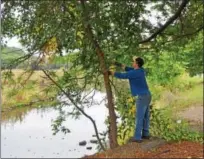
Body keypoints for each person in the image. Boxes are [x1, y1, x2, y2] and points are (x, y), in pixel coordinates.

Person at [109, 56, 151, 143]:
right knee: (146, 116)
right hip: (148, 95)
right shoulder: (141, 70)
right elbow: (128, 69)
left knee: (139, 117)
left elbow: (123, 75)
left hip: (142, 96)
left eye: (134, 62)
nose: (132, 63)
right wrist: (118, 64)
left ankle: (137, 137)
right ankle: (146, 134)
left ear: (136, 64)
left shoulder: (134, 73)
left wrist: (111, 73)